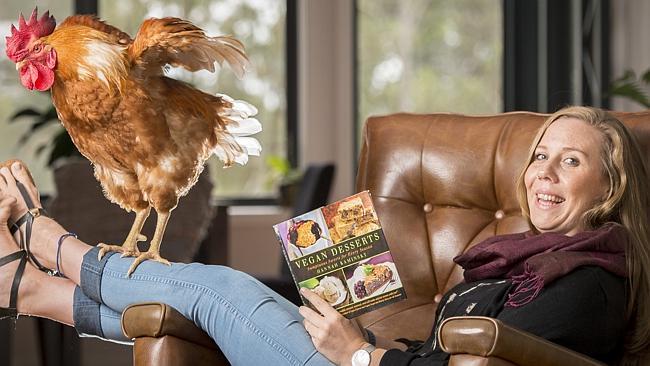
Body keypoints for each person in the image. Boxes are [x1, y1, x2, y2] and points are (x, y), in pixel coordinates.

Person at [0, 105, 648, 366]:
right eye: (541, 156)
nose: (544, 174)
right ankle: (28, 288)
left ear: (610, 185)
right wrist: (363, 327)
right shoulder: (525, 258)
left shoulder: (590, 280)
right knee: (199, 300)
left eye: (571, 160)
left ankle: (45, 237)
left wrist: (360, 355)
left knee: (221, 288)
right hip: (368, 355)